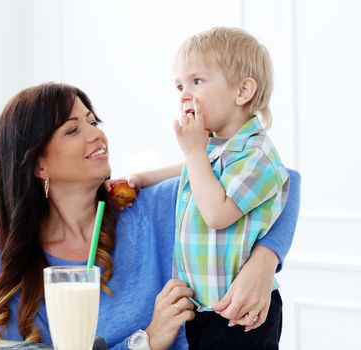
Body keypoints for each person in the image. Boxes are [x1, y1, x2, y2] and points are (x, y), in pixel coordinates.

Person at [0, 82, 300, 349]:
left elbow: (283, 179)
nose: (96, 135)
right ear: (39, 166)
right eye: (72, 130)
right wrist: (148, 339)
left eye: (93, 123)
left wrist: (264, 261)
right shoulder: (7, 270)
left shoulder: (151, 208)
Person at [119, 26, 291, 349]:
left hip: (241, 314)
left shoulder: (259, 156)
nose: (185, 94)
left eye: (197, 81)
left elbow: (216, 213)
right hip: (205, 310)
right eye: (180, 85)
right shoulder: (212, 151)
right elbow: (186, 171)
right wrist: (143, 178)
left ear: (242, 92)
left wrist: (194, 151)